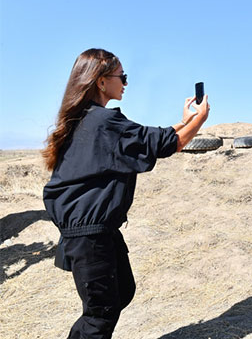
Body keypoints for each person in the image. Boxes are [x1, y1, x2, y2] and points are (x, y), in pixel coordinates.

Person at [42, 48, 210, 338]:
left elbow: (146, 139)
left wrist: (184, 121)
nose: (126, 83)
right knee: (99, 315)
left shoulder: (89, 120)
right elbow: (167, 145)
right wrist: (200, 119)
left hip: (97, 230)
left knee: (122, 291)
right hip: (88, 234)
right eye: (123, 76)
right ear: (101, 81)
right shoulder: (103, 123)